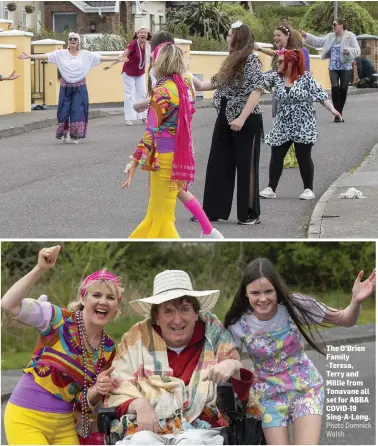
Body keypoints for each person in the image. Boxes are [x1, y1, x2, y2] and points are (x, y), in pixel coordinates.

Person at [224, 258, 376, 445]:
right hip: (268, 397)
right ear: (245, 294)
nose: (262, 299)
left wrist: (356, 301)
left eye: (269, 291)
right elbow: (235, 367)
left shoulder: (296, 305)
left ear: (277, 289)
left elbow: (345, 319)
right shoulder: (238, 323)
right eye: (255, 293)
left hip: (306, 389)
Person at [105, 269, 260, 445]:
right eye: (168, 311)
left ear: (196, 313)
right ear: (156, 317)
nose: (177, 320)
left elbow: (240, 399)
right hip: (147, 427)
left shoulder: (215, 336)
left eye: (185, 309)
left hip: (202, 428)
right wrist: (139, 404)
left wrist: (233, 364)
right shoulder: (135, 339)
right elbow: (117, 388)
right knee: (141, 441)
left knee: (191, 441)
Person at [2, 245, 123, 445]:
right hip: (26, 418)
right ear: (83, 298)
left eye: (111, 298)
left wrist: (99, 389)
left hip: (65, 425)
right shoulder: (57, 318)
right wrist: (40, 269)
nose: (103, 302)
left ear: (117, 306)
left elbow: (84, 399)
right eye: (96, 295)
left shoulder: (108, 348)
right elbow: (9, 304)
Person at [132, 31, 223, 239]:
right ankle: (208, 230)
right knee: (177, 192)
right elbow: (200, 89)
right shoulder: (184, 79)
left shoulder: (164, 85)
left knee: (166, 198)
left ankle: (205, 229)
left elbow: (155, 116)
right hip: (181, 144)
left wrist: (135, 158)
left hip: (165, 149)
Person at [122, 42, 197, 239]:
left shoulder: (162, 91)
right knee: (154, 217)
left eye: (154, 60)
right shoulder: (182, 89)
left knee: (162, 219)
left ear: (160, 63)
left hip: (164, 159)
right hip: (177, 156)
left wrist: (134, 160)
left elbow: (151, 131)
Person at [197, 21, 264, 226]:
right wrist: (186, 75)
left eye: (229, 35)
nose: (226, 38)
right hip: (225, 115)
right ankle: (212, 210)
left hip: (246, 117)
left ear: (238, 38)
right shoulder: (230, 61)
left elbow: (257, 89)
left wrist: (242, 118)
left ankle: (249, 213)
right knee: (218, 161)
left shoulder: (252, 61)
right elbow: (207, 84)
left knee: (247, 166)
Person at [259, 49, 342, 201]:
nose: (277, 64)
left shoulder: (306, 78)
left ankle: (308, 189)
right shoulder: (276, 78)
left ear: (290, 63)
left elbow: (321, 95)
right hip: (282, 124)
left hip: (303, 124)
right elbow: (258, 79)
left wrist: (332, 109)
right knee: (276, 154)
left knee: (303, 156)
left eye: (280, 61)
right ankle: (271, 188)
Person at [18, 33, 124, 143]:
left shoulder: (86, 55)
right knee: (64, 111)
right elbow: (46, 56)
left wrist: (117, 58)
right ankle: (64, 133)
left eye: (75, 39)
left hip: (80, 86)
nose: (72, 40)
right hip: (66, 87)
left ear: (78, 42)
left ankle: (75, 135)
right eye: (70, 39)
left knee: (77, 110)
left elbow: (101, 58)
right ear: (68, 41)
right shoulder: (60, 54)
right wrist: (30, 56)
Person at [255, 25, 310, 169]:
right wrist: (259, 49)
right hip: (279, 94)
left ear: (287, 37)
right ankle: (291, 157)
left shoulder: (293, 55)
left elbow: (300, 73)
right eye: (274, 35)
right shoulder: (281, 53)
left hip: (290, 96)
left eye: (278, 35)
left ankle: (289, 157)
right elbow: (273, 54)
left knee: (287, 125)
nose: (275, 38)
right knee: (281, 123)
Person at [300, 19, 361, 122]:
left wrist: (349, 51)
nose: (333, 26)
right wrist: (306, 36)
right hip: (333, 67)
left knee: (344, 89)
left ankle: (339, 112)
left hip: (345, 67)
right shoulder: (330, 36)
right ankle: (337, 114)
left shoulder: (350, 36)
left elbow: (357, 50)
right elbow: (318, 42)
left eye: (334, 24)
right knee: (335, 89)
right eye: (332, 25)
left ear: (341, 25)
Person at [105, 26, 151, 126]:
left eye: (145, 33)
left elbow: (156, 54)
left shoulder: (148, 45)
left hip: (140, 73)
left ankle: (143, 116)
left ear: (147, 35)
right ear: (137, 34)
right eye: (141, 32)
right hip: (129, 72)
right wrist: (111, 64)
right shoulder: (133, 44)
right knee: (130, 94)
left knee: (142, 94)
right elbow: (123, 55)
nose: (143, 34)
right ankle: (129, 117)